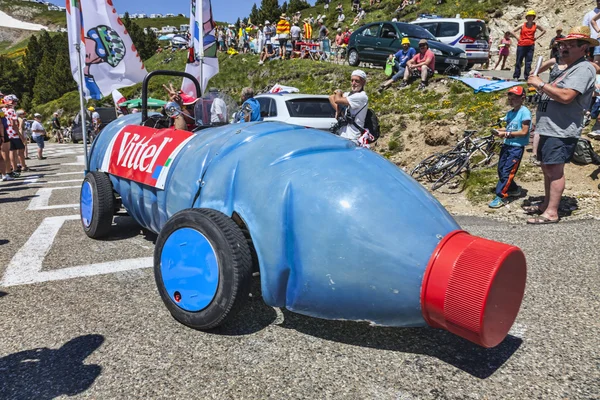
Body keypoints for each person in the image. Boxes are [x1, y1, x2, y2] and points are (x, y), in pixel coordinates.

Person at [526, 26, 597, 224]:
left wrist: (540, 84)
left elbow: (566, 96)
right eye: (562, 45)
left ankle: (551, 212)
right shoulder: (570, 68)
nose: (563, 48)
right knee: (547, 168)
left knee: (554, 170)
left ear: (584, 48)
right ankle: (546, 204)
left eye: (569, 45)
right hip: (549, 127)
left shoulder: (584, 68)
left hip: (561, 129)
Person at [488, 86, 532, 208]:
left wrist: (506, 134)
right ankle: (514, 189)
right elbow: (507, 128)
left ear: (522, 98)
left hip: (516, 148)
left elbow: (524, 131)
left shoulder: (525, 112)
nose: (511, 101)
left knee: (507, 172)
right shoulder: (510, 113)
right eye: (510, 98)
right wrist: (497, 131)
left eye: (514, 98)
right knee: (501, 170)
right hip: (507, 146)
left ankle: (501, 196)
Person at [329, 69, 369, 145]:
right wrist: (338, 111)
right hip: (342, 135)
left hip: (352, 138)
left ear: (363, 82)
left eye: (357, 81)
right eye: (352, 80)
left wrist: (339, 92)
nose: (353, 83)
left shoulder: (362, 96)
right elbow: (331, 97)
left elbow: (337, 100)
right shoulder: (350, 94)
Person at [511, 10, 546, 80]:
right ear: (526, 17)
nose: (530, 17)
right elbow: (512, 31)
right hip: (521, 45)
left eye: (531, 16)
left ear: (533, 17)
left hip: (530, 45)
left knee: (528, 61)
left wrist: (537, 37)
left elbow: (544, 30)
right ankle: (516, 76)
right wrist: (518, 38)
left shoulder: (535, 25)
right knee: (519, 60)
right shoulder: (522, 25)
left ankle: (527, 76)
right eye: (528, 16)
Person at [583, 0, 600, 65]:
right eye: (598, 0)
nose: (599, 2)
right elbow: (584, 30)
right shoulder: (589, 15)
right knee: (595, 63)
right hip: (593, 42)